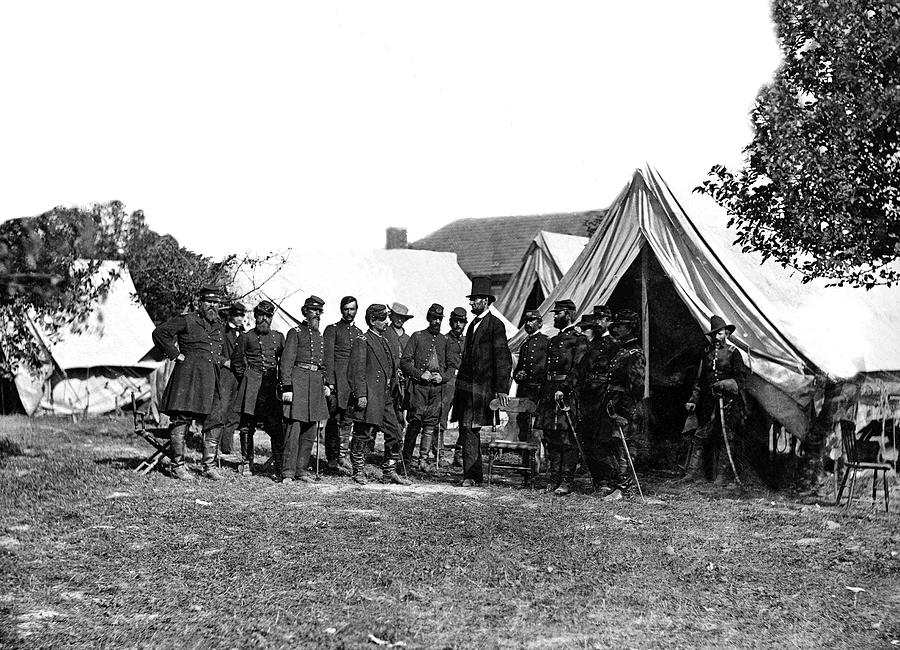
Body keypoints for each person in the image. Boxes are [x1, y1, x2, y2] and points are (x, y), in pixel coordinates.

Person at [151, 285, 228, 480]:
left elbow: (215, 353)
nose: (212, 306)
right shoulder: (187, 319)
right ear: (199, 303)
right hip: (189, 378)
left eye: (216, 303)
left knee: (215, 420)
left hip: (211, 379)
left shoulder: (219, 325)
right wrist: (175, 354)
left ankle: (209, 466)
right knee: (181, 420)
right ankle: (178, 466)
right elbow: (160, 333)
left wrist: (223, 362)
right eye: (209, 302)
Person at [451, 276, 512, 487]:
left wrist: (502, 389)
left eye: (474, 299)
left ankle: (472, 476)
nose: (471, 303)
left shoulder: (495, 325)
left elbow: (503, 359)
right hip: (467, 390)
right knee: (466, 428)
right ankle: (471, 475)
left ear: (485, 301)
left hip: (482, 390)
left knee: (471, 429)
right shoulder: (472, 326)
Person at [347, 304, 412, 486]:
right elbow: (356, 371)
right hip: (369, 396)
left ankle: (389, 472)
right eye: (382, 319)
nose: (386, 322)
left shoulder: (384, 341)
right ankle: (358, 471)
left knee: (396, 433)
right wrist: (361, 395)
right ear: (372, 320)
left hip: (385, 398)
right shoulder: (363, 340)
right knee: (363, 434)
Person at [683, 315, 748, 486]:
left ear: (726, 334)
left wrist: (725, 384)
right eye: (714, 335)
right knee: (700, 435)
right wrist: (693, 399)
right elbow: (700, 380)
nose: (717, 338)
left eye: (720, 334)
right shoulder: (706, 353)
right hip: (708, 402)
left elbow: (741, 381)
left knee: (726, 436)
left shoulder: (734, 353)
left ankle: (722, 476)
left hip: (728, 403)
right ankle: (691, 474)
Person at [536, 299, 587, 495]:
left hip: (566, 394)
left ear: (569, 314)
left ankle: (566, 482)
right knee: (551, 437)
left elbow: (578, 369)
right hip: (550, 392)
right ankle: (553, 479)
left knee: (567, 439)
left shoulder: (578, 340)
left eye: (558, 313)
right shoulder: (554, 340)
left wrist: (564, 388)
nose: (555, 316)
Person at [279, 295, 330, 484]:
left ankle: (301, 470)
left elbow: (323, 364)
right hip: (298, 384)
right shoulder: (295, 332)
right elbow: (286, 362)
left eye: (319, 311)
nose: (317, 314)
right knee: (294, 431)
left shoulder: (320, 336)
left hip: (315, 385)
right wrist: (287, 387)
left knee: (309, 432)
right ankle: (287, 472)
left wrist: (325, 384)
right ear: (304, 312)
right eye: (313, 310)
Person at [231, 300, 284, 477]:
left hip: (270, 387)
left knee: (276, 427)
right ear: (255, 316)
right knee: (247, 426)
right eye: (261, 315)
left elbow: (284, 362)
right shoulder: (246, 337)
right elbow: (237, 363)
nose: (264, 319)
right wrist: (247, 379)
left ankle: (279, 464)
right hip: (252, 385)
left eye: (268, 316)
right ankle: (247, 462)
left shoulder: (278, 337)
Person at [400, 303, 448, 471]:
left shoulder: (444, 340)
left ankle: (423, 460)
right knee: (414, 423)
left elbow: (452, 367)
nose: (437, 322)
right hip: (419, 388)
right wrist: (420, 374)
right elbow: (404, 362)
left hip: (436, 390)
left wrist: (442, 377)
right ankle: (406, 460)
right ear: (428, 318)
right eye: (434, 318)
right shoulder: (417, 336)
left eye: (439, 319)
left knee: (430, 425)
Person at [607, 309, 648, 496]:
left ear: (630, 328)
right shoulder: (621, 350)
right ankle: (619, 483)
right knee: (616, 444)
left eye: (621, 325)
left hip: (626, 405)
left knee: (625, 445)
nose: (618, 328)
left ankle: (624, 487)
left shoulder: (635, 353)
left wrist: (625, 408)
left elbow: (637, 386)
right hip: (615, 402)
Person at [323, 296, 363, 476]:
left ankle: (342, 455)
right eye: (346, 309)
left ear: (356, 310)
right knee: (333, 419)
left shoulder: (359, 332)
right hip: (337, 380)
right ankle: (331, 457)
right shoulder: (332, 330)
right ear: (341, 309)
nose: (349, 312)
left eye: (352, 309)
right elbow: (328, 357)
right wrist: (330, 382)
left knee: (347, 419)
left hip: (351, 381)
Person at [210, 301, 246, 456]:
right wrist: (225, 362)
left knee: (235, 413)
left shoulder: (243, 333)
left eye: (241, 315)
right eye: (236, 315)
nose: (239, 318)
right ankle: (213, 447)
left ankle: (227, 447)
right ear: (230, 315)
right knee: (222, 410)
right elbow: (213, 352)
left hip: (240, 376)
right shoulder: (221, 331)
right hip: (225, 375)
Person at [513, 310, 548, 442]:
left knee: (537, 427)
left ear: (540, 323)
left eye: (531, 321)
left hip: (538, 392)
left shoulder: (546, 342)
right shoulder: (525, 345)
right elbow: (518, 368)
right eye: (526, 321)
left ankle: (537, 459)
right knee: (523, 423)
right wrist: (518, 375)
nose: (527, 323)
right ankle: (525, 457)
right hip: (524, 391)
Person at [441, 307, 467, 467]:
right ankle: (440, 454)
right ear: (451, 322)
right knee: (441, 416)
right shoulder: (443, 340)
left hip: (463, 383)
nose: (458, 325)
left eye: (461, 322)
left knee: (464, 419)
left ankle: (460, 453)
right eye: (455, 321)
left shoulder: (467, 341)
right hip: (448, 382)